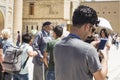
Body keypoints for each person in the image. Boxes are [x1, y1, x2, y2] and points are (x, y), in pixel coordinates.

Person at [54, 5, 108, 80]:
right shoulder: (88, 50)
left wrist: (90, 47)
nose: (90, 34)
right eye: (92, 29)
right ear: (87, 27)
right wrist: (105, 58)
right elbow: (101, 78)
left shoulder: (57, 46)